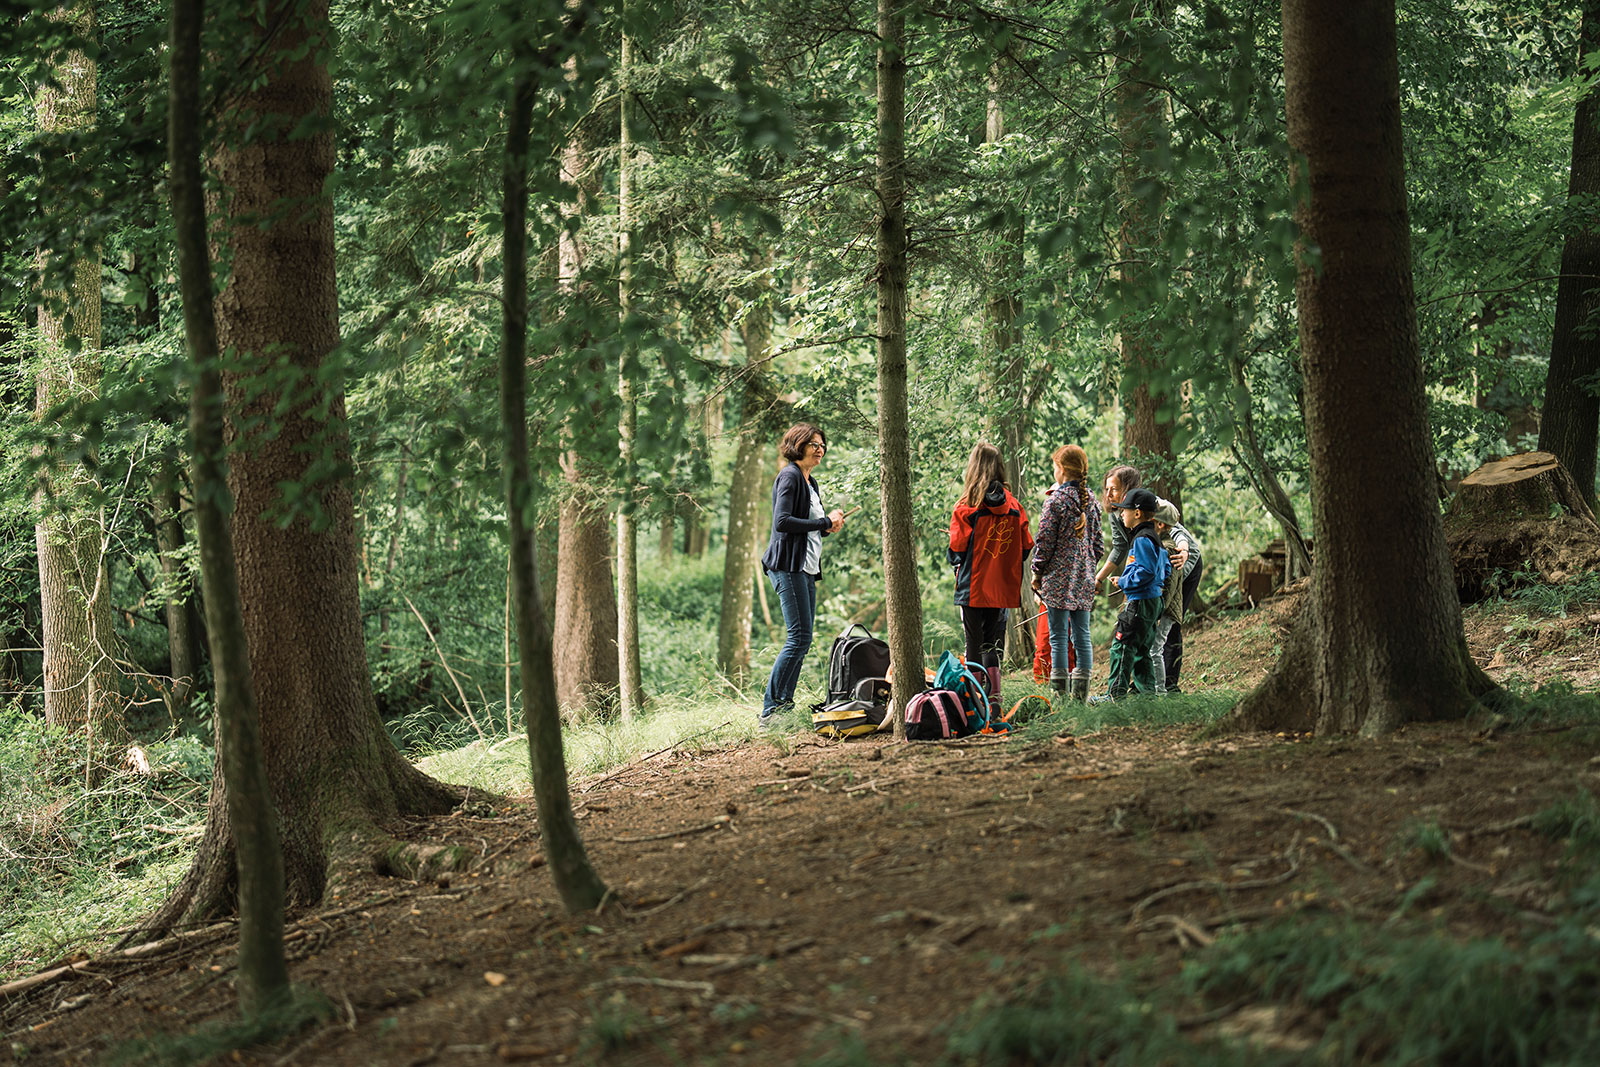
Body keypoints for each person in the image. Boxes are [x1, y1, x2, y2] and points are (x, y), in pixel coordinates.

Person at [759, 423, 844, 730]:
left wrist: (827, 526)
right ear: (797, 445)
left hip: (806, 568)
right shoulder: (790, 476)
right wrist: (822, 520)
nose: (819, 449)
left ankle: (782, 708)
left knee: (803, 639)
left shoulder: (811, 483)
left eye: (822, 445)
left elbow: (807, 527)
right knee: (797, 638)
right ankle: (771, 713)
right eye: (813, 444)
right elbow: (782, 522)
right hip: (787, 567)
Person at [948, 442, 1033, 710]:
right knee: (993, 646)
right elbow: (1026, 546)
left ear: (973, 467)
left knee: (973, 645)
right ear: (1000, 468)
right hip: (1002, 590)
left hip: (973, 589)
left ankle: (975, 705)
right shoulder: (1015, 506)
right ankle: (995, 703)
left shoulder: (966, 507)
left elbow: (956, 549)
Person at [1030, 445, 1102, 701]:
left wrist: (1036, 572)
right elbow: (1099, 545)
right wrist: (1087, 567)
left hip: (1057, 582)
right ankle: (1080, 699)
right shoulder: (1092, 501)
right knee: (1082, 636)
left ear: (1061, 470)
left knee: (1059, 638)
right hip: (1083, 580)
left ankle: (1060, 699)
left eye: (1054, 466)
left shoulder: (1055, 502)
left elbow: (1044, 543)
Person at [1096, 486, 1170, 700]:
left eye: (1124, 510)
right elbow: (1163, 569)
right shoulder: (1153, 537)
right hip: (1152, 601)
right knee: (1142, 650)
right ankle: (1147, 696)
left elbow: (1146, 571)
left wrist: (1124, 581)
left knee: (1122, 647)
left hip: (1140, 602)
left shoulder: (1142, 539)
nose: (1121, 514)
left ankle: (1114, 695)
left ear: (1137, 513)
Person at [1151, 500, 1204, 693]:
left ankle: (1168, 685)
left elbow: (1179, 533)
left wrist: (1184, 550)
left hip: (1184, 568)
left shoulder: (1169, 540)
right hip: (1165, 577)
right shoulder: (1130, 511)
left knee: (1169, 626)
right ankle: (1153, 682)